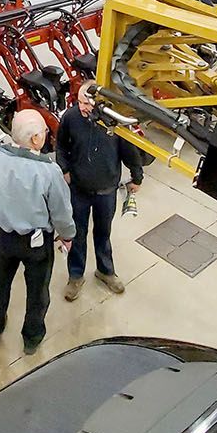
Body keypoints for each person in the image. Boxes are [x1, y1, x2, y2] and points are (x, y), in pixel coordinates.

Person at [0, 109, 75, 355]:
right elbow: (61, 212)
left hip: (4, 238)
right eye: (43, 132)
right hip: (36, 244)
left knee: (0, 284)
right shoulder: (48, 172)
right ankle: (31, 338)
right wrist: (67, 235)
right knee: (38, 292)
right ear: (35, 140)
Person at [55, 82, 143, 302]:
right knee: (78, 233)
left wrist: (137, 177)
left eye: (87, 103)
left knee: (103, 233)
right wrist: (64, 169)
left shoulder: (114, 122)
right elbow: (60, 146)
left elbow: (130, 150)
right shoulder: (71, 118)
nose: (82, 107)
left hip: (107, 190)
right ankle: (76, 276)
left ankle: (105, 271)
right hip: (79, 189)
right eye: (80, 102)